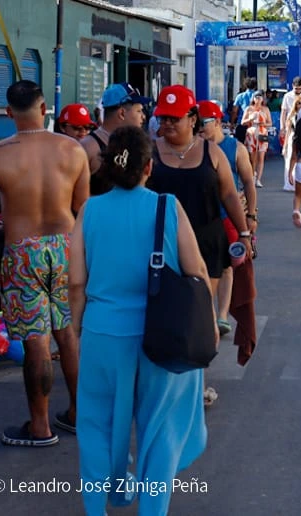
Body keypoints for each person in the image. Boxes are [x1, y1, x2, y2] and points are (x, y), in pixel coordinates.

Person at [69, 126, 211, 515]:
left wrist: (78, 328)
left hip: (102, 332)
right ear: (150, 166)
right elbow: (196, 268)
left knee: (95, 426)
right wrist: (211, 322)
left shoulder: (90, 210)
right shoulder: (168, 207)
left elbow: (76, 281)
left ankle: (97, 508)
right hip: (162, 336)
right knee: (161, 427)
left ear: (108, 168)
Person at [0, 80, 90, 446]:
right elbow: (84, 207)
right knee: (67, 334)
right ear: (44, 109)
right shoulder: (72, 150)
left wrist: (3, 236)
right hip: (67, 245)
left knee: (36, 340)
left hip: (23, 248)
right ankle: (78, 414)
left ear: (9, 113)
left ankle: (40, 427)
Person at [147, 85, 253, 327]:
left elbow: (229, 195)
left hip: (207, 241)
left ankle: (197, 359)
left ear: (192, 118)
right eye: (164, 118)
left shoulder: (212, 152)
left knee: (200, 308)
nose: (168, 123)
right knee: (167, 312)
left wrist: (244, 232)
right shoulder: (150, 153)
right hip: (163, 243)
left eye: (175, 118)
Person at [198, 100, 258, 336]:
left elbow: (249, 183)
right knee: (201, 267)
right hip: (200, 219)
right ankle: (208, 315)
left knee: (227, 267)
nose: (199, 128)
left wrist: (251, 215)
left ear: (218, 122)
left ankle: (222, 315)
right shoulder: (192, 147)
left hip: (228, 218)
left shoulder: (236, 148)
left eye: (203, 123)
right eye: (195, 123)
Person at [81, 83, 150, 194]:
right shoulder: (89, 147)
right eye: (139, 111)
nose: (143, 116)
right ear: (122, 113)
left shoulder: (137, 144)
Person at [242, 92, 273, 188]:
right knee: (252, 158)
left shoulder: (266, 109)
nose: (258, 99)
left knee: (261, 156)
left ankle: (258, 179)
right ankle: (252, 176)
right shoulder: (249, 109)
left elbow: (270, 123)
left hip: (262, 133)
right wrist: (250, 119)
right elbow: (242, 122)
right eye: (256, 97)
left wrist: (263, 124)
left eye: (260, 97)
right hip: (251, 133)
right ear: (253, 98)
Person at [280, 76, 301, 141]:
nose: (298, 91)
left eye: (300, 89)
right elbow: (283, 112)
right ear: (292, 86)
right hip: (290, 124)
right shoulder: (287, 96)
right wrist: (282, 127)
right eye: (296, 89)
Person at [232, 77, 257, 143]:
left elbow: (234, 111)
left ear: (245, 85)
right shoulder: (257, 96)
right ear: (255, 86)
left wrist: (232, 123)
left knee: (240, 144)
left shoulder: (240, 96)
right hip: (255, 125)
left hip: (241, 123)